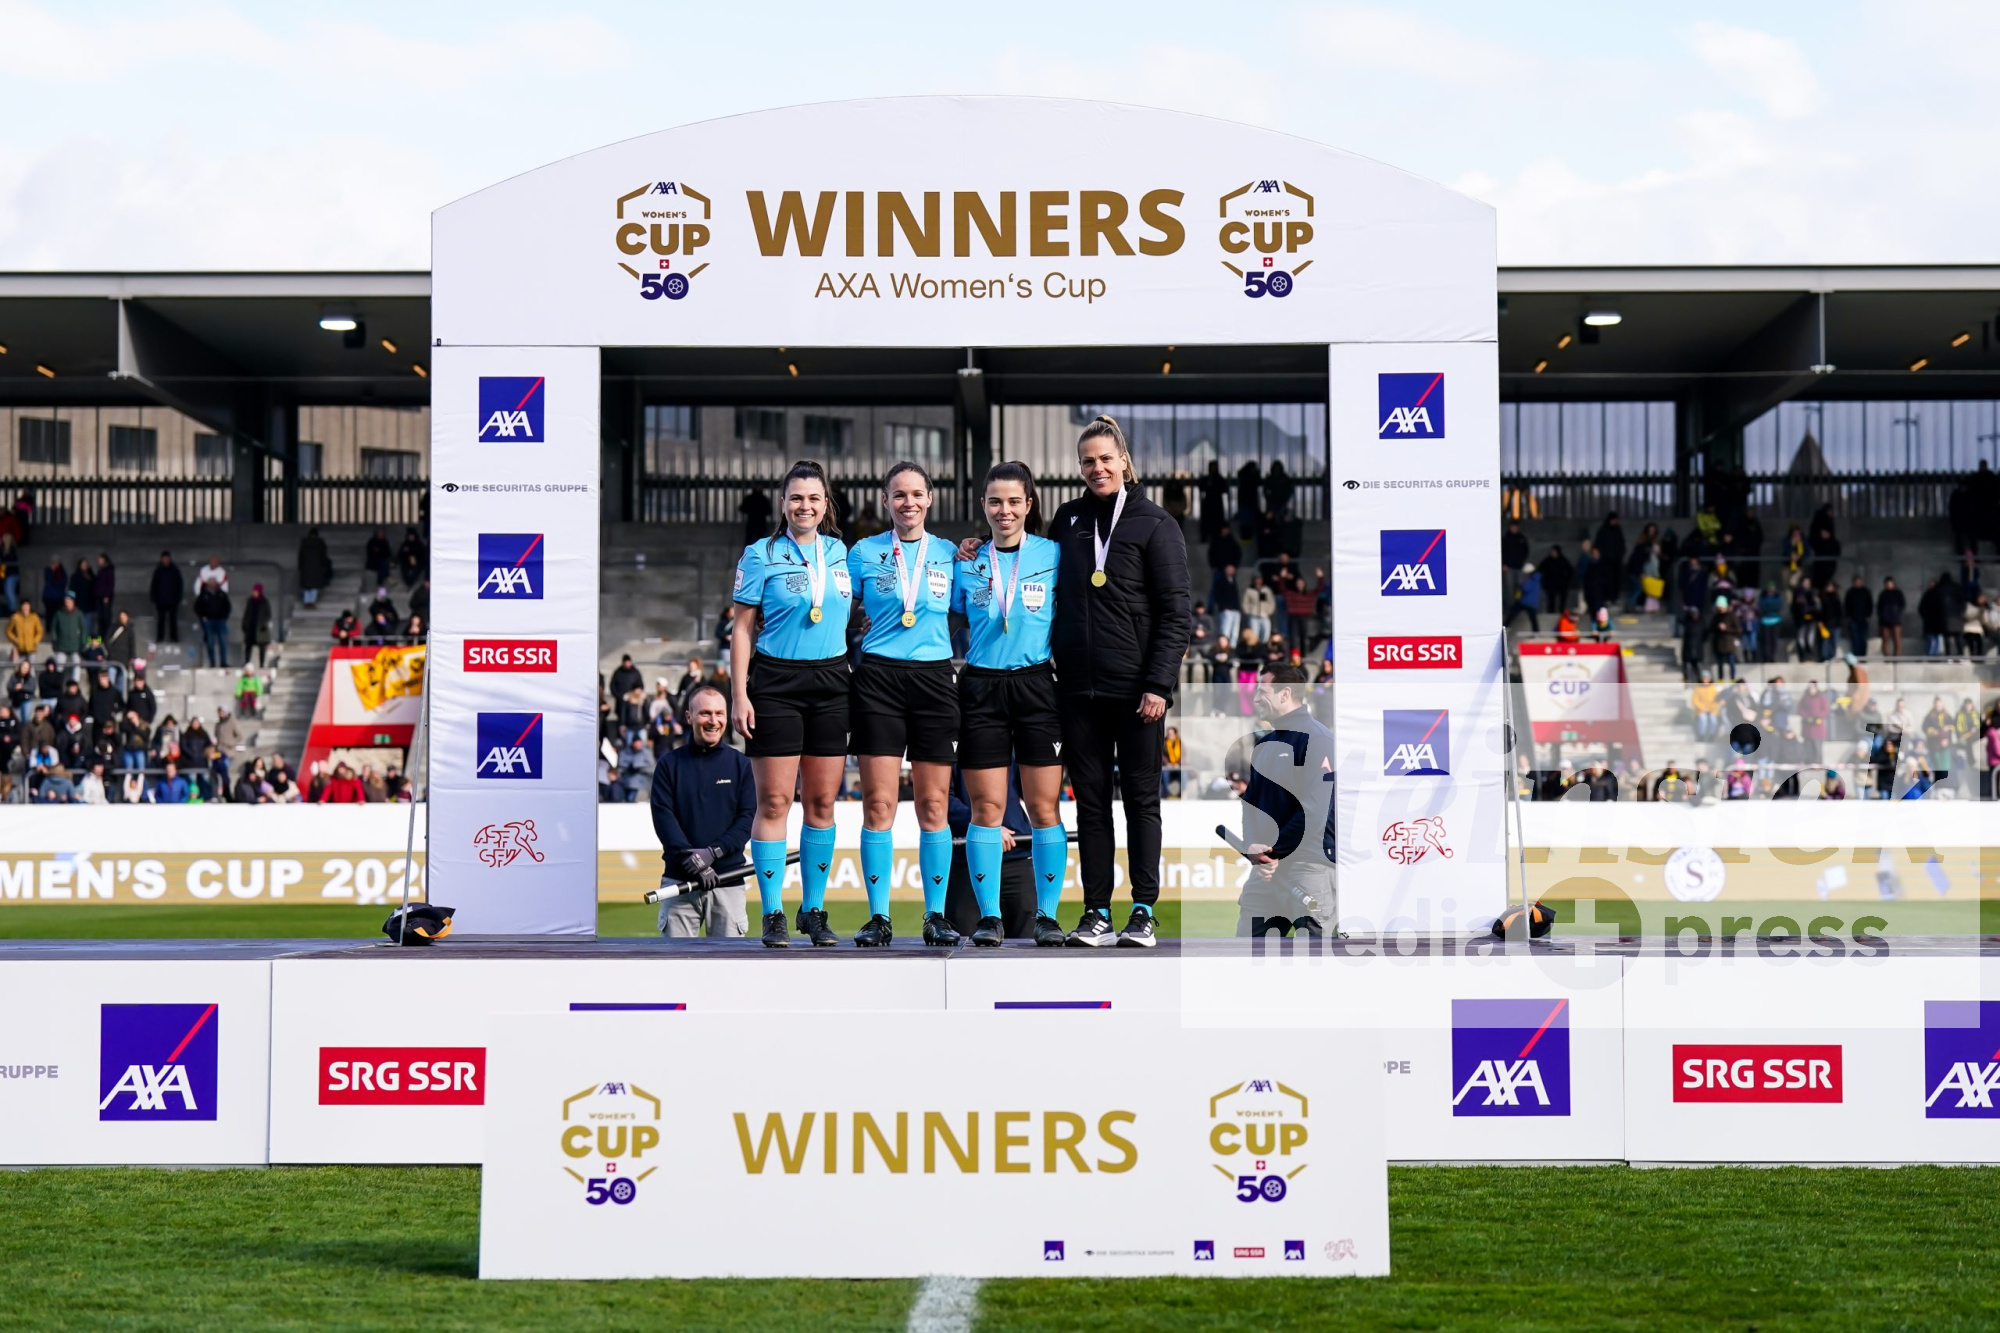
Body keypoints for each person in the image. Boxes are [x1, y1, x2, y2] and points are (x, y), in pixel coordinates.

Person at [1047, 415, 1190, 947]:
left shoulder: (1156, 523)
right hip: (1078, 692)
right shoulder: (1067, 519)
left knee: (1141, 803)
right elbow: (1032, 568)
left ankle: (1144, 910)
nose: (1097, 468)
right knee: (1090, 806)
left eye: (1106, 459)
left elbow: (1176, 613)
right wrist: (977, 547)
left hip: (1137, 695)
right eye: (1088, 461)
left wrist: (1159, 685)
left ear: (1124, 462)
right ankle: (1096, 912)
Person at [730, 459, 855, 948]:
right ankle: (773, 912)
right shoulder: (759, 554)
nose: (805, 506)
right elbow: (742, 629)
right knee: (776, 801)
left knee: (822, 802)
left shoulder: (841, 552)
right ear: (783, 503)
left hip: (832, 682)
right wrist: (739, 694)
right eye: (796, 497)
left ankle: (814, 909)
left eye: (814, 498)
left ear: (826, 504)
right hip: (776, 683)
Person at [948, 461, 1068, 945]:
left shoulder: (1053, 554)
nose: (1005, 510)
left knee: (1043, 807)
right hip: (981, 687)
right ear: (983, 505)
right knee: (987, 807)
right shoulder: (966, 561)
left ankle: (1048, 917)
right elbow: (943, 619)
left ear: (1029, 505)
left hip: (1037, 685)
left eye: (1014, 501)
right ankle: (990, 917)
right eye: (995, 501)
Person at [846, 460, 962, 947]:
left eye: (916, 494)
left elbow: (971, 608)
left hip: (934, 680)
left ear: (930, 499)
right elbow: (840, 605)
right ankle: (879, 917)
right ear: (885, 501)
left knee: (934, 804)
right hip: (878, 680)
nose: (908, 502)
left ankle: (935, 915)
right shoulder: (863, 552)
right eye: (899, 494)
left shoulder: (952, 554)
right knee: (878, 803)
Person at [1230, 666, 1335, 936]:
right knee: (1245, 953)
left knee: (1314, 958)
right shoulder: (1263, 745)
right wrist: (1253, 846)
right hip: (1267, 871)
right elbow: (1251, 805)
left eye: (1262, 692)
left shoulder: (1319, 739)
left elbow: (1314, 810)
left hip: (1308, 866)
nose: (1255, 699)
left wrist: (1272, 852)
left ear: (1285, 693)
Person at [651, 683, 757, 939]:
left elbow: (747, 820)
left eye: (719, 713)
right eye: (705, 713)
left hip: (728, 882)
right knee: (676, 962)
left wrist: (713, 852)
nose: (713, 721)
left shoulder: (741, 765)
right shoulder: (669, 765)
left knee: (728, 963)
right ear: (689, 717)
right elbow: (664, 820)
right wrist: (696, 864)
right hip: (679, 882)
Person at [148, 552, 183, 643]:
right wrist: (153, 597)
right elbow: (154, 585)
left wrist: (178, 597)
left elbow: (179, 585)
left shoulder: (175, 570)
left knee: (173, 620)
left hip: (172, 600)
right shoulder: (158, 571)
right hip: (161, 600)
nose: (166, 560)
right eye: (164, 558)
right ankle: (160, 637)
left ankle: (174, 637)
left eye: (167, 558)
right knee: (161, 620)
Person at [195, 580, 231, 668]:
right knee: (210, 642)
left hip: (220, 621)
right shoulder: (203, 595)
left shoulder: (222, 594)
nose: (213, 584)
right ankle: (212, 662)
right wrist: (203, 617)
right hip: (209, 621)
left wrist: (224, 617)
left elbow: (228, 607)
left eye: (214, 582)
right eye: (211, 583)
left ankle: (223, 662)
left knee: (222, 642)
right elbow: (197, 607)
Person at [242, 583, 274, 668]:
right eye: (253, 591)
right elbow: (246, 613)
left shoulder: (264, 602)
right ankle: (247, 662)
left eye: (256, 591)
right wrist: (244, 624)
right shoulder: (250, 601)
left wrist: (264, 624)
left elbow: (268, 615)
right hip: (251, 627)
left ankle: (262, 664)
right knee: (248, 646)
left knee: (262, 647)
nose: (254, 593)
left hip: (260, 628)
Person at [49, 594, 85, 666]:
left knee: (77, 664)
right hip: (61, 646)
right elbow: (53, 629)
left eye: (69, 601)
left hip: (75, 647)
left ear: (73, 602)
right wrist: (54, 641)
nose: (67, 603)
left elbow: (83, 630)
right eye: (66, 601)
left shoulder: (78, 614)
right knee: (59, 665)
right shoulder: (59, 614)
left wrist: (82, 643)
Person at [1505, 562, 1541, 634]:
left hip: (1524, 601)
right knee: (1533, 618)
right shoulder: (1538, 578)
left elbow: (1525, 588)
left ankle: (1505, 627)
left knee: (1512, 613)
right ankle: (1536, 632)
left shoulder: (1530, 580)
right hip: (1533, 603)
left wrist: (1520, 587)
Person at [1877, 576, 1905, 658]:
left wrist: (1897, 614)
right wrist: (1882, 616)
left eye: (1890, 583)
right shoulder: (1883, 594)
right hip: (1884, 621)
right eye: (1887, 583)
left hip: (1895, 620)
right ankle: (1887, 659)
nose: (1889, 585)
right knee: (1885, 640)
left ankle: (1896, 659)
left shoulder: (1898, 593)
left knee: (1897, 640)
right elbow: (1879, 607)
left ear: (1893, 584)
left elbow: (1902, 605)